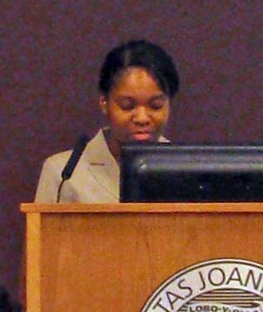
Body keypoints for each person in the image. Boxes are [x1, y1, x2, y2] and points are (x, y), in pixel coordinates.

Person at [35, 39, 180, 203]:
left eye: (155, 106)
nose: (142, 118)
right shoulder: (63, 174)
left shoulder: (184, 170)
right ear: (104, 102)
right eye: (127, 106)